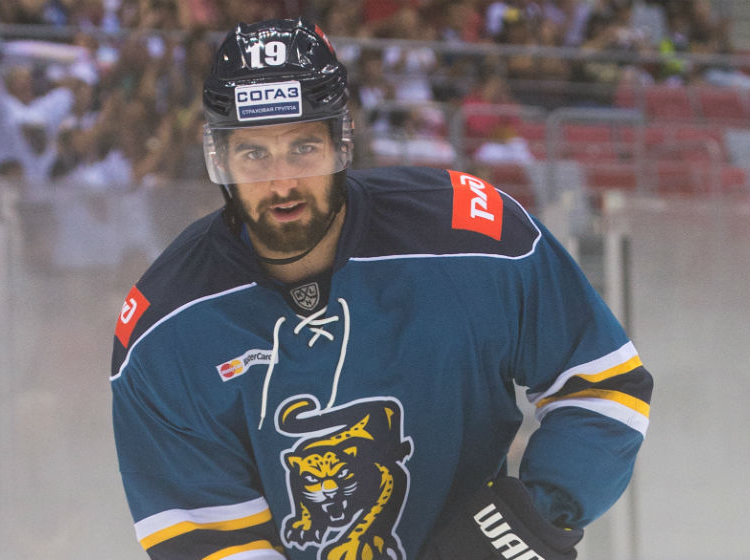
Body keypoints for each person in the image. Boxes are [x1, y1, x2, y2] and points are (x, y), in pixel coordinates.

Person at [110, 18, 653, 560]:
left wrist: (513, 532)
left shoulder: (472, 238)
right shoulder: (166, 327)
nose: (281, 183)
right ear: (220, 158)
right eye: (254, 154)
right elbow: (207, 539)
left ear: (342, 141)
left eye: (303, 147)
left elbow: (604, 386)